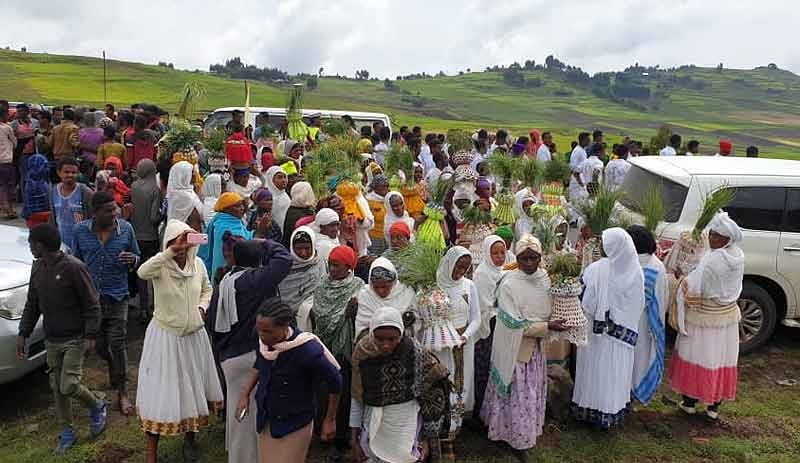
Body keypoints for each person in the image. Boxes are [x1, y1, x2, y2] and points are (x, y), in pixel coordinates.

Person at [17, 223, 108, 454]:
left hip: (74, 338)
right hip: (52, 338)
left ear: (41, 245)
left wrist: (90, 336)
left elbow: (92, 304)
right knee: (57, 388)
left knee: (68, 385)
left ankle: (97, 405)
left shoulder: (74, 268)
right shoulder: (37, 268)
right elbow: (32, 303)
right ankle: (67, 431)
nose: (29, 247)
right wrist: (23, 333)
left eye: (31, 243)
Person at [136, 220, 222, 463]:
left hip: (194, 337)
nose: (182, 245)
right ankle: (151, 453)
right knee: (161, 390)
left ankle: (190, 440)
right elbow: (142, 272)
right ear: (169, 242)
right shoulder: (160, 266)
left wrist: (202, 309)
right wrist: (168, 253)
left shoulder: (199, 264)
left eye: (186, 240)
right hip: (166, 337)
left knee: (192, 387)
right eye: (177, 240)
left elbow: (207, 289)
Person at [206, 238, 292, 463]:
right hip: (250, 358)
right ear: (259, 260)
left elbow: (212, 322)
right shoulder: (254, 280)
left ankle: (237, 455)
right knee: (250, 417)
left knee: (238, 414)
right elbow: (284, 259)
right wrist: (265, 242)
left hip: (229, 358)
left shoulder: (224, 282)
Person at [481, 235, 565, 456]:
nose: (528, 263)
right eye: (523, 258)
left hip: (535, 349)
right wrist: (547, 326)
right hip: (515, 349)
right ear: (516, 257)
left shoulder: (545, 279)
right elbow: (514, 324)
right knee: (516, 392)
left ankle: (523, 433)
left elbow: (551, 306)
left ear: (540, 258)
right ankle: (512, 437)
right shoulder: (509, 283)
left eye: (533, 258)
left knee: (528, 392)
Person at [236, 300, 342, 463]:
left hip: (296, 421)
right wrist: (245, 394)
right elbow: (260, 364)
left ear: (285, 326)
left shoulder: (307, 350)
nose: (262, 336)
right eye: (260, 330)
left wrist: (330, 419)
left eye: (268, 331)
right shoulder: (260, 339)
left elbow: (336, 382)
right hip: (267, 417)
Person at [350, 306, 451, 463]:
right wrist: (354, 439)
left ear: (401, 334)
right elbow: (356, 396)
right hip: (373, 419)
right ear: (371, 334)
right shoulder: (362, 352)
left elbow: (433, 389)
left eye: (392, 339)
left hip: (406, 421)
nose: (386, 345)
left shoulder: (413, 352)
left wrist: (426, 438)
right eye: (379, 339)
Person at [668, 212, 744, 420]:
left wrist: (681, 277)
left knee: (698, 356)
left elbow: (695, 288)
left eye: (717, 236)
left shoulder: (712, 260)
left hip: (704, 317)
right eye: (711, 234)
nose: (711, 239)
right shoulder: (738, 255)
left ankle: (690, 403)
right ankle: (713, 407)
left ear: (727, 239)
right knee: (721, 359)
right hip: (727, 316)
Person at [72, 191, 141, 416]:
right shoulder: (80, 231)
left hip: (118, 295)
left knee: (117, 342)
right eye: (109, 211)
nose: (115, 214)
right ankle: (113, 367)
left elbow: (137, 257)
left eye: (115, 209)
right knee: (100, 346)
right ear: (95, 213)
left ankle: (122, 391)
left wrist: (133, 260)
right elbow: (76, 262)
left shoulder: (126, 230)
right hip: (91, 300)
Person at [571, 228, 645, 429]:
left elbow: (585, 300)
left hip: (596, 334)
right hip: (622, 336)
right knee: (615, 372)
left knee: (594, 370)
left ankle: (589, 410)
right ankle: (611, 411)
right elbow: (638, 304)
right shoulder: (636, 271)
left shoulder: (596, 269)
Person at [312, 245, 365, 458]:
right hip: (325, 348)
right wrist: (344, 312)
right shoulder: (322, 285)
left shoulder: (358, 286)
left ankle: (341, 436)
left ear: (349, 267)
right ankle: (322, 431)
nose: (332, 270)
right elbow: (320, 313)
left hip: (345, 348)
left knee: (343, 393)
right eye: (331, 265)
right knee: (324, 392)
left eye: (337, 266)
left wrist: (352, 312)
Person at [434, 246, 481, 446]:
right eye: (457, 267)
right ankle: (436, 429)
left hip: (463, 344)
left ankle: (453, 429)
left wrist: (465, 336)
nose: (460, 272)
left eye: (465, 268)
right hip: (441, 344)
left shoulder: (468, 286)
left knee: (460, 384)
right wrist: (443, 336)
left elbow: (476, 318)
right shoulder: (435, 286)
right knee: (442, 382)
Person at [627, 225, 669, 406]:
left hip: (637, 321)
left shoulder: (629, 264)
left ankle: (629, 390)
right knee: (640, 357)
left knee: (633, 357)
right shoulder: (657, 266)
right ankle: (634, 390)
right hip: (644, 323)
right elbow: (663, 299)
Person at [472, 235, 508, 416]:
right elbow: (485, 306)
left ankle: (494, 409)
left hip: (500, 324)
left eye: (503, 252)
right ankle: (480, 410)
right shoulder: (482, 274)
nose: (500, 257)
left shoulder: (501, 271)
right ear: (487, 253)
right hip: (488, 327)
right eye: (495, 253)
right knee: (484, 367)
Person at [131, 158, 162, 320]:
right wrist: (163, 215)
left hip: (136, 236)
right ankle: (156, 306)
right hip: (151, 236)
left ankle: (143, 308)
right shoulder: (155, 189)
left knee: (141, 273)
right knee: (156, 272)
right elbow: (153, 217)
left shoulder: (133, 187)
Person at [278, 226, 326, 330]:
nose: (303, 253)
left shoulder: (319, 263)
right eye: (298, 248)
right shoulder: (283, 267)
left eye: (307, 248)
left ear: (313, 246)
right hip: (285, 321)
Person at [355, 257, 415, 339]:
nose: (380, 291)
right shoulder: (366, 295)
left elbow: (415, 322)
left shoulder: (406, 293)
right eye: (376, 287)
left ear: (393, 283)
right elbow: (362, 328)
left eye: (384, 286)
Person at [200, 192, 253, 279]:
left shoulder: (222, 220)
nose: (242, 208)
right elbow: (244, 244)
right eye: (237, 206)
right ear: (226, 209)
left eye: (242, 205)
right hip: (228, 273)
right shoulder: (225, 226)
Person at [48, 157, 93, 250]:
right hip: (61, 244)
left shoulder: (85, 192)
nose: (70, 175)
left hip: (82, 245)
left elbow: (93, 217)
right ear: (59, 172)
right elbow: (53, 218)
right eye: (66, 172)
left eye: (73, 172)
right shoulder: (53, 191)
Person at [166, 160, 204, 231]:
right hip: (189, 238)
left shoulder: (174, 193)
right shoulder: (186, 197)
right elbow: (195, 224)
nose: (194, 175)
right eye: (191, 172)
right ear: (183, 175)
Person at [22, 154, 51, 228]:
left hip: (40, 219)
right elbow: (33, 211)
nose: (47, 169)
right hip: (36, 221)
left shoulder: (40, 181)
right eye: (44, 166)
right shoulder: (33, 184)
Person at [366, 174, 389, 255]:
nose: (385, 188)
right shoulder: (369, 201)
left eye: (387, 185)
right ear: (375, 186)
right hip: (374, 238)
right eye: (382, 185)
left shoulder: (388, 199)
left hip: (388, 236)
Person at [0, 108, 17, 219]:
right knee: (7, 185)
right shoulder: (7, 128)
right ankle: (8, 209)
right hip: (5, 160)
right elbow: (14, 143)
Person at [264, 166, 291, 234]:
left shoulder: (284, 195)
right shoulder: (267, 198)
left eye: (285, 177)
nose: (284, 180)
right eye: (279, 177)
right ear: (271, 180)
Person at [568, 132, 590, 201]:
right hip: (577, 181)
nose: (589, 142)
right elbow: (574, 168)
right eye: (588, 140)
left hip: (581, 180)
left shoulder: (582, 150)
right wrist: (581, 183)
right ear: (583, 140)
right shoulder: (577, 151)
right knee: (575, 203)